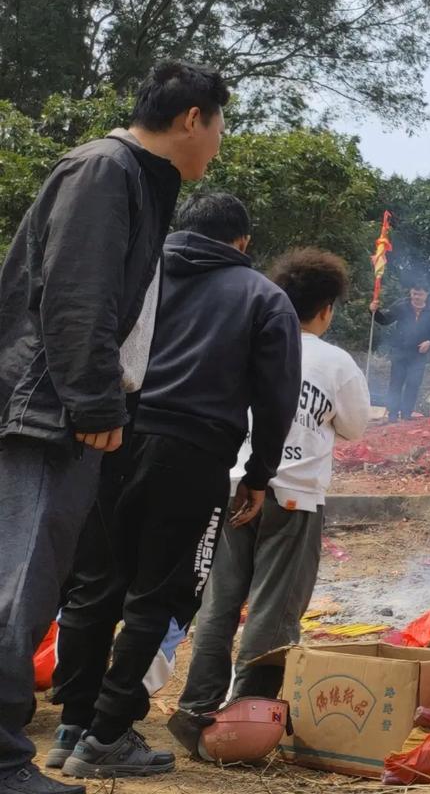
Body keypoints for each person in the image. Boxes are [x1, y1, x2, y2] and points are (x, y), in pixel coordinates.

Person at [0, 61, 228, 794]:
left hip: (58, 412)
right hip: (44, 415)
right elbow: (75, 296)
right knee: (19, 591)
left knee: (34, 588)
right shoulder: (106, 171)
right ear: (192, 117)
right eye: (219, 126)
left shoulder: (134, 180)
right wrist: (96, 403)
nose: (218, 145)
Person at [52, 193, 301, 779]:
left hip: (110, 441)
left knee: (94, 585)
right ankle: (108, 734)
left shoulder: (138, 270)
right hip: (193, 458)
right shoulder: (263, 298)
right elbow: (276, 398)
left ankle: (72, 726)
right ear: (242, 242)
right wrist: (259, 474)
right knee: (158, 596)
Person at [170, 248, 369, 754]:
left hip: (235, 485)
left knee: (219, 603)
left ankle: (196, 709)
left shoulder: (243, 342)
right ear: (325, 308)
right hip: (295, 498)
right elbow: (354, 425)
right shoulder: (337, 362)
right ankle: (248, 720)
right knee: (274, 611)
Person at [372, 281, 430, 422]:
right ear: (410, 293)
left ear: (426, 295)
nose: (416, 297)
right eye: (414, 293)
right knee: (396, 383)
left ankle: (407, 414)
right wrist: (374, 311)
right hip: (400, 351)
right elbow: (385, 320)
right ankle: (392, 415)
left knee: (413, 383)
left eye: (420, 294)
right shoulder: (401, 306)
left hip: (419, 355)